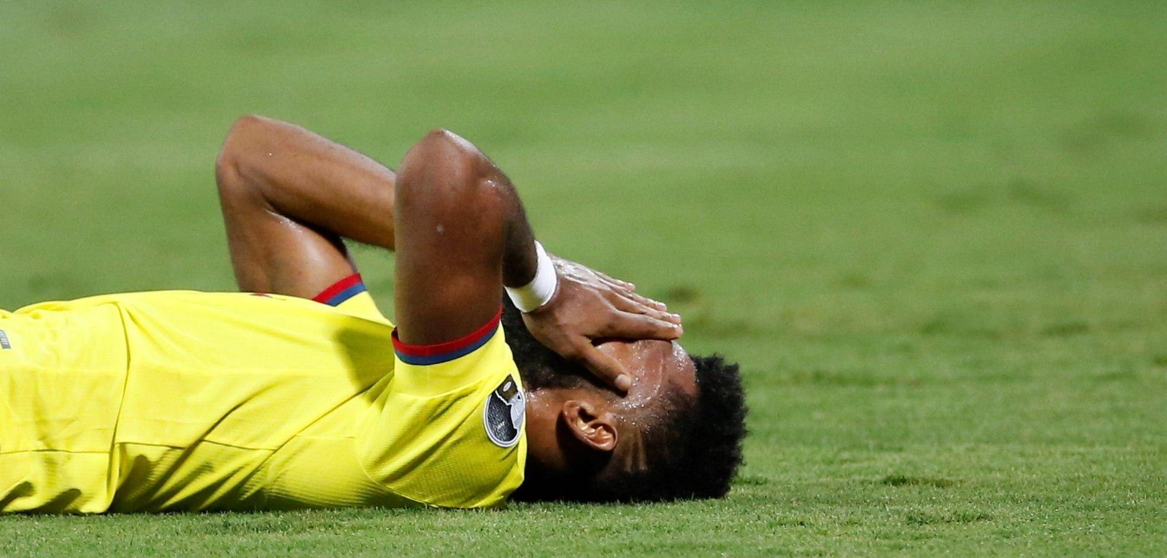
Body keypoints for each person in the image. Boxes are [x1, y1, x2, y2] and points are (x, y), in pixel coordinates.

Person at [0, 117, 747, 513]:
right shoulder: (385, 378)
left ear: (590, 423)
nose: (610, 308)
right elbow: (254, 162)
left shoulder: (465, 439)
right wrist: (505, 264)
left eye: (634, 335)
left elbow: (448, 173)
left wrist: (544, 287)